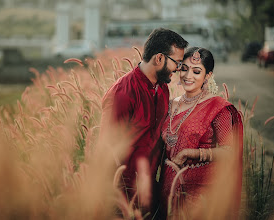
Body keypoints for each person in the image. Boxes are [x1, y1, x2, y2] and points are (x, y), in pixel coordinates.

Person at [100, 28, 188, 215]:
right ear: (159, 59)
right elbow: (106, 150)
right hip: (122, 198)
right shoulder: (122, 93)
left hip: (150, 193)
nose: (179, 69)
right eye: (177, 63)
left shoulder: (163, 89)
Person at [158, 47, 243, 219]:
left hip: (200, 195)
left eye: (196, 71)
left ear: (208, 75)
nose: (188, 76)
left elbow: (229, 152)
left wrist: (190, 153)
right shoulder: (170, 105)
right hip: (168, 190)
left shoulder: (217, 108)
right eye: (184, 68)